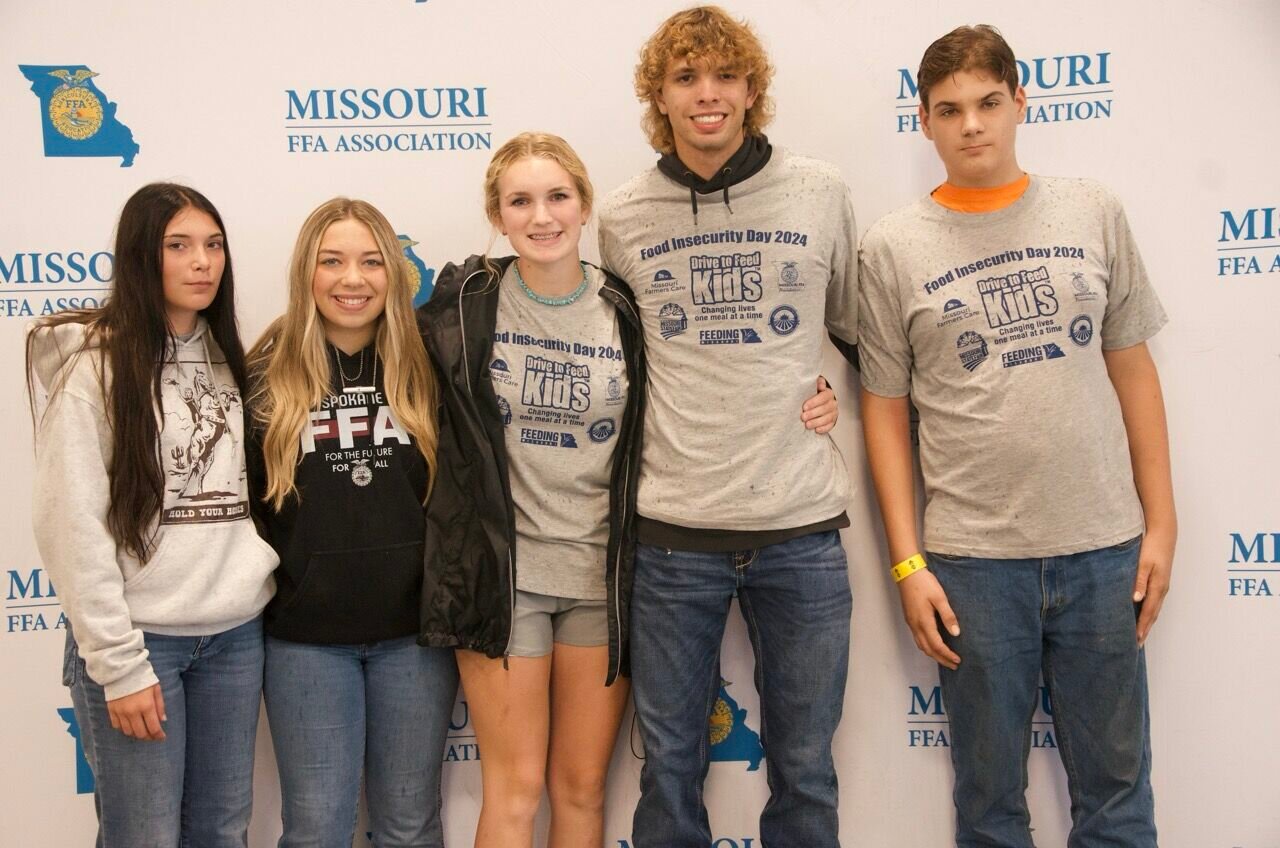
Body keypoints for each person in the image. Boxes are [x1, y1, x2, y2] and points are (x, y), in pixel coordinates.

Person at [858, 24, 1174, 848]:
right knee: (990, 805)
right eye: (950, 109)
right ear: (923, 122)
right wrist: (908, 562)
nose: (972, 125)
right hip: (972, 563)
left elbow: (1134, 373)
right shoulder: (892, 246)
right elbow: (885, 414)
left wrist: (1162, 525)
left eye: (989, 102)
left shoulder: (1092, 210)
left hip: (1104, 549)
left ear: (1020, 103)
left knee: (1117, 796)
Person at [596, 7, 858, 846]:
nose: (707, 95)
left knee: (806, 765)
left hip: (801, 532)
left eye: (724, 76)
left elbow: (859, 333)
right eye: (685, 78)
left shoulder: (821, 192)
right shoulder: (623, 216)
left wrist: (832, 393)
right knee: (669, 764)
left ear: (752, 90)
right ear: (659, 98)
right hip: (673, 537)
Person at [28, 182, 277, 847]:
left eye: (214, 245)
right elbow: (71, 524)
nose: (203, 262)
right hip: (143, 642)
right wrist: (119, 664)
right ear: (143, 256)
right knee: (145, 836)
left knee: (222, 830)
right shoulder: (95, 366)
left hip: (232, 636)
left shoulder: (228, 357)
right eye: (179, 246)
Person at [417, 131, 643, 848]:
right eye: (521, 201)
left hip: (601, 578)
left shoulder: (625, 307)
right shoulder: (464, 302)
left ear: (583, 205)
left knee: (578, 792)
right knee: (513, 791)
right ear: (498, 213)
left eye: (557, 197)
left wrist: (815, 394)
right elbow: (383, 363)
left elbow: (708, 384)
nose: (541, 216)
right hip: (503, 580)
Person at [247, 198, 458, 848]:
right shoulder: (264, 372)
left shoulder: (429, 365)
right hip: (307, 645)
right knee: (316, 829)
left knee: (409, 827)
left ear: (392, 272)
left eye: (370, 261)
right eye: (331, 261)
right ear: (306, 273)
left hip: (414, 642)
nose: (352, 278)